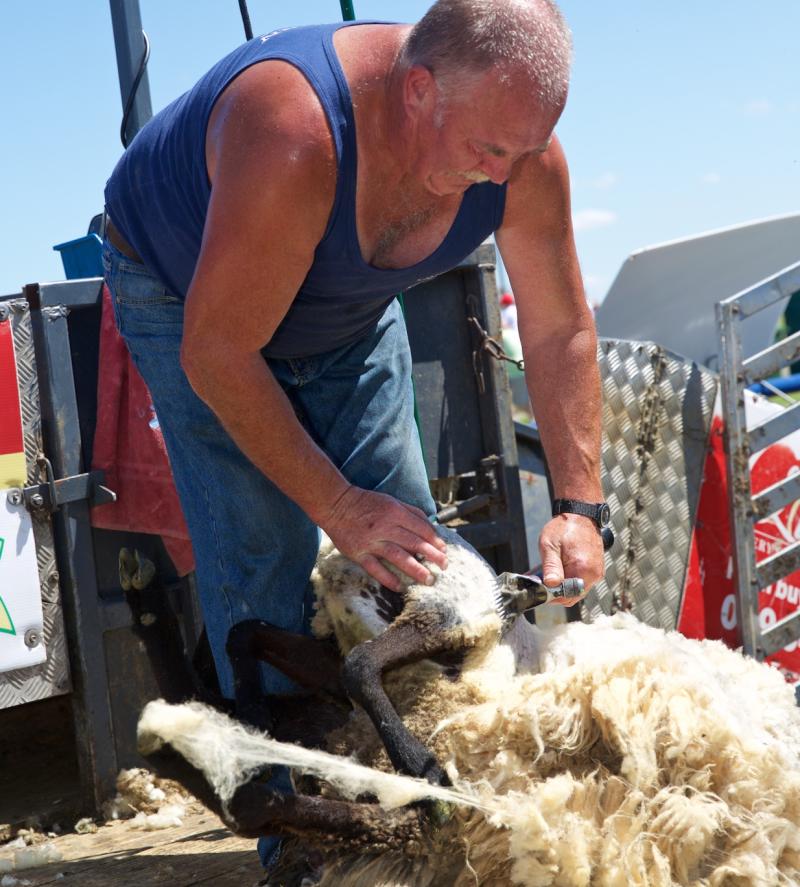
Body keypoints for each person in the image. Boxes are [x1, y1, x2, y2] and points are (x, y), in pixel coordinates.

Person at [103, 0, 606, 873]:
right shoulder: (294, 129)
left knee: (408, 560)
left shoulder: (520, 159)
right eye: (488, 148)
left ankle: (412, 808)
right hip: (188, 297)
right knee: (264, 552)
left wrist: (580, 506)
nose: (502, 174)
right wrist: (337, 505)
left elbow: (561, 326)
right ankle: (299, 839)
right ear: (419, 90)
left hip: (346, 310)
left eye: (523, 152)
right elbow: (218, 353)